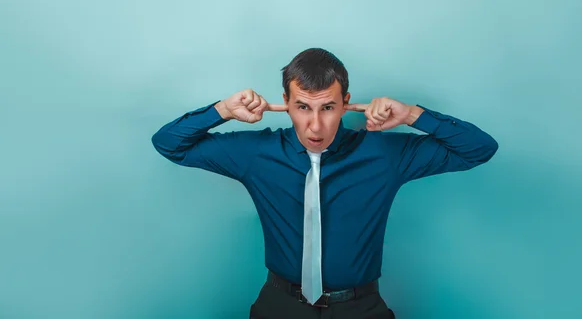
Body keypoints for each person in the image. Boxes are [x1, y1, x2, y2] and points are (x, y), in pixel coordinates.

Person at [151, 48, 498, 319]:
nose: (315, 126)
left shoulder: (383, 155)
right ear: (284, 104)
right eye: (302, 107)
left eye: (328, 108)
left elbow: (479, 149)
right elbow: (169, 143)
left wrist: (410, 114)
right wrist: (223, 110)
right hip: (279, 308)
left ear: (347, 104)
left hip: (360, 310)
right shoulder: (256, 153)